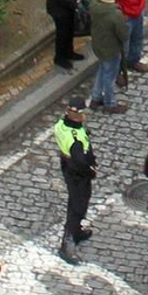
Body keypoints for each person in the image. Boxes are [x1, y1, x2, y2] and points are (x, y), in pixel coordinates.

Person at [55, 96, 96, 260]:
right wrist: (91, 171)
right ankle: (68, 243)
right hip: (78, 174)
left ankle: (76, 231)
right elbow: (80, 162)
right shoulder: (76, 140)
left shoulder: (60, 125)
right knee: (77, 206)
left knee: (76, 202)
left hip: (67, 167)